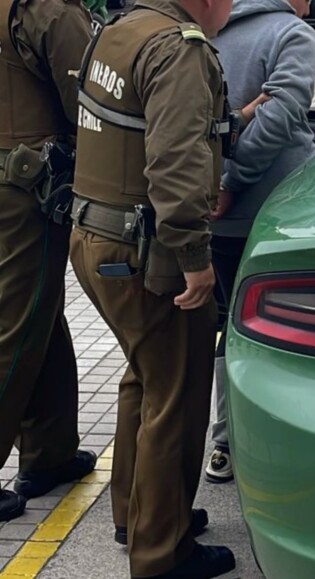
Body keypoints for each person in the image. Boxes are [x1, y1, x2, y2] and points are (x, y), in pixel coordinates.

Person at [68, 0, 246, 575]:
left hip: (95, 237)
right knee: (178, 394)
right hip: (149, 253)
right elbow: (173, 161)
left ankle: (138, 515)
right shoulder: (179, 47)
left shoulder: (120, 30)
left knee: (144, 379)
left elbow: (135, 123)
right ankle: (162, 552)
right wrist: (194, 256)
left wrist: (231, 117)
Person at [204, 0, 315, 484]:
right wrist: (233, 181)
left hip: (215, 219)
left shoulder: (205, 28)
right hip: (277, 216)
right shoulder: (291, 33)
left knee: (228, 331)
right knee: (285, 332)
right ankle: (279, 443)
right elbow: (281, 114)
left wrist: (216, 183)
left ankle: (223, 442)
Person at [0, 0, 97, 523]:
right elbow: (91, 105)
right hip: (27, 190)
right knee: (14, 326)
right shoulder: (50, 10)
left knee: (38, 312)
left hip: (11, 180)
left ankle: (50, 451)